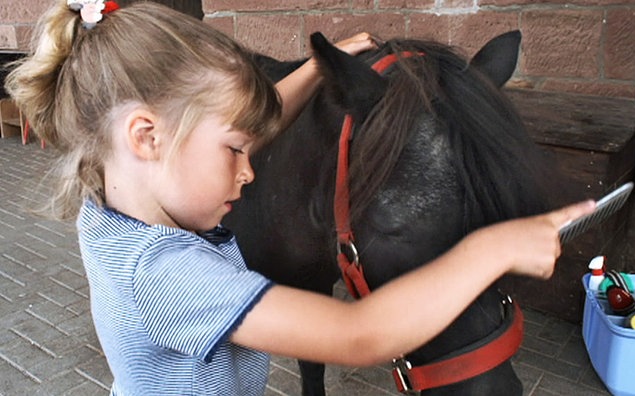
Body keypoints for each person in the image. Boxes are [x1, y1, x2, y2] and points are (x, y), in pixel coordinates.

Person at [6, 1, 596, 395]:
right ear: (147, 136)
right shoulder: (161, 273)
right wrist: (488, 253)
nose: (250, 171)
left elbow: (256, 127)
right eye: (236, 152)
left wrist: (319, 68)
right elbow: (359, 335)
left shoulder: (117, 194)